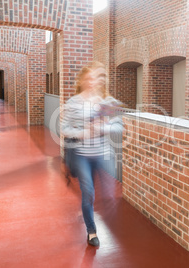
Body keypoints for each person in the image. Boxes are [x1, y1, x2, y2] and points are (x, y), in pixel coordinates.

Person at [61, 61, 124, 247]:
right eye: (87, 78)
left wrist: (103, 127)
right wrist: (82, 133)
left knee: (110, 195)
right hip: (82, 154)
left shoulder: (107, 102)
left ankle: (88, 210)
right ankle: (91, 232)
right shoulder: (73, 102)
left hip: (103, 154)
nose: (91, 82)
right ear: (81, 81)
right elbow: (63, 127)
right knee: (88, 192)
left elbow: (119, 126)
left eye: (94, 78)